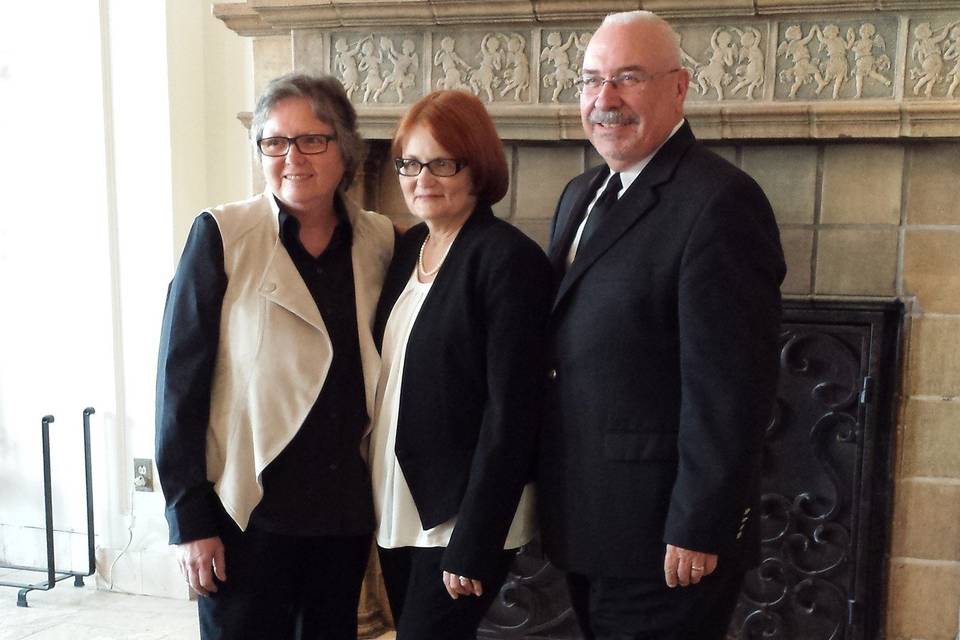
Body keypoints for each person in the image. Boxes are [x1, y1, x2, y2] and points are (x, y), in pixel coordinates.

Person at [537, 11, 786, 640]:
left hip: (666, 540)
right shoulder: (582, 193)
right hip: (588, 519)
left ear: (679, 87)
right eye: (591, 80)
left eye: (627, 78)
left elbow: (733, 386)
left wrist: (700, 524)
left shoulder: (720, 201)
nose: (605, 99)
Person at [155, 73, 394, 640]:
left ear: (346, 150)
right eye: (275, 142)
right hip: (245, 513)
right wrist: (189, 519)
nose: (293, 157)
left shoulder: (379, 240)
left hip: (341, 515)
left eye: (312, 140)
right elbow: (177, 384)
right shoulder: (222, 234)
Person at [370, 89, 552, 639]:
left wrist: (475, 537)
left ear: (478, 168)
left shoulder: (507, 259)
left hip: (461, 512)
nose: (422, 178)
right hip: (400, 497)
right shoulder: (409, 251)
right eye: (410, 162)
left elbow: (513, 413)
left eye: (442, 163)